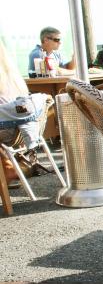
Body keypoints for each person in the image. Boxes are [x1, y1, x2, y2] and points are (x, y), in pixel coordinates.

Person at [1, 40, 47, 183]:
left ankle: (6, 171)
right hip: (22, 130)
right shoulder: (13, 74)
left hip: (6, 131)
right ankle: (7, 168)